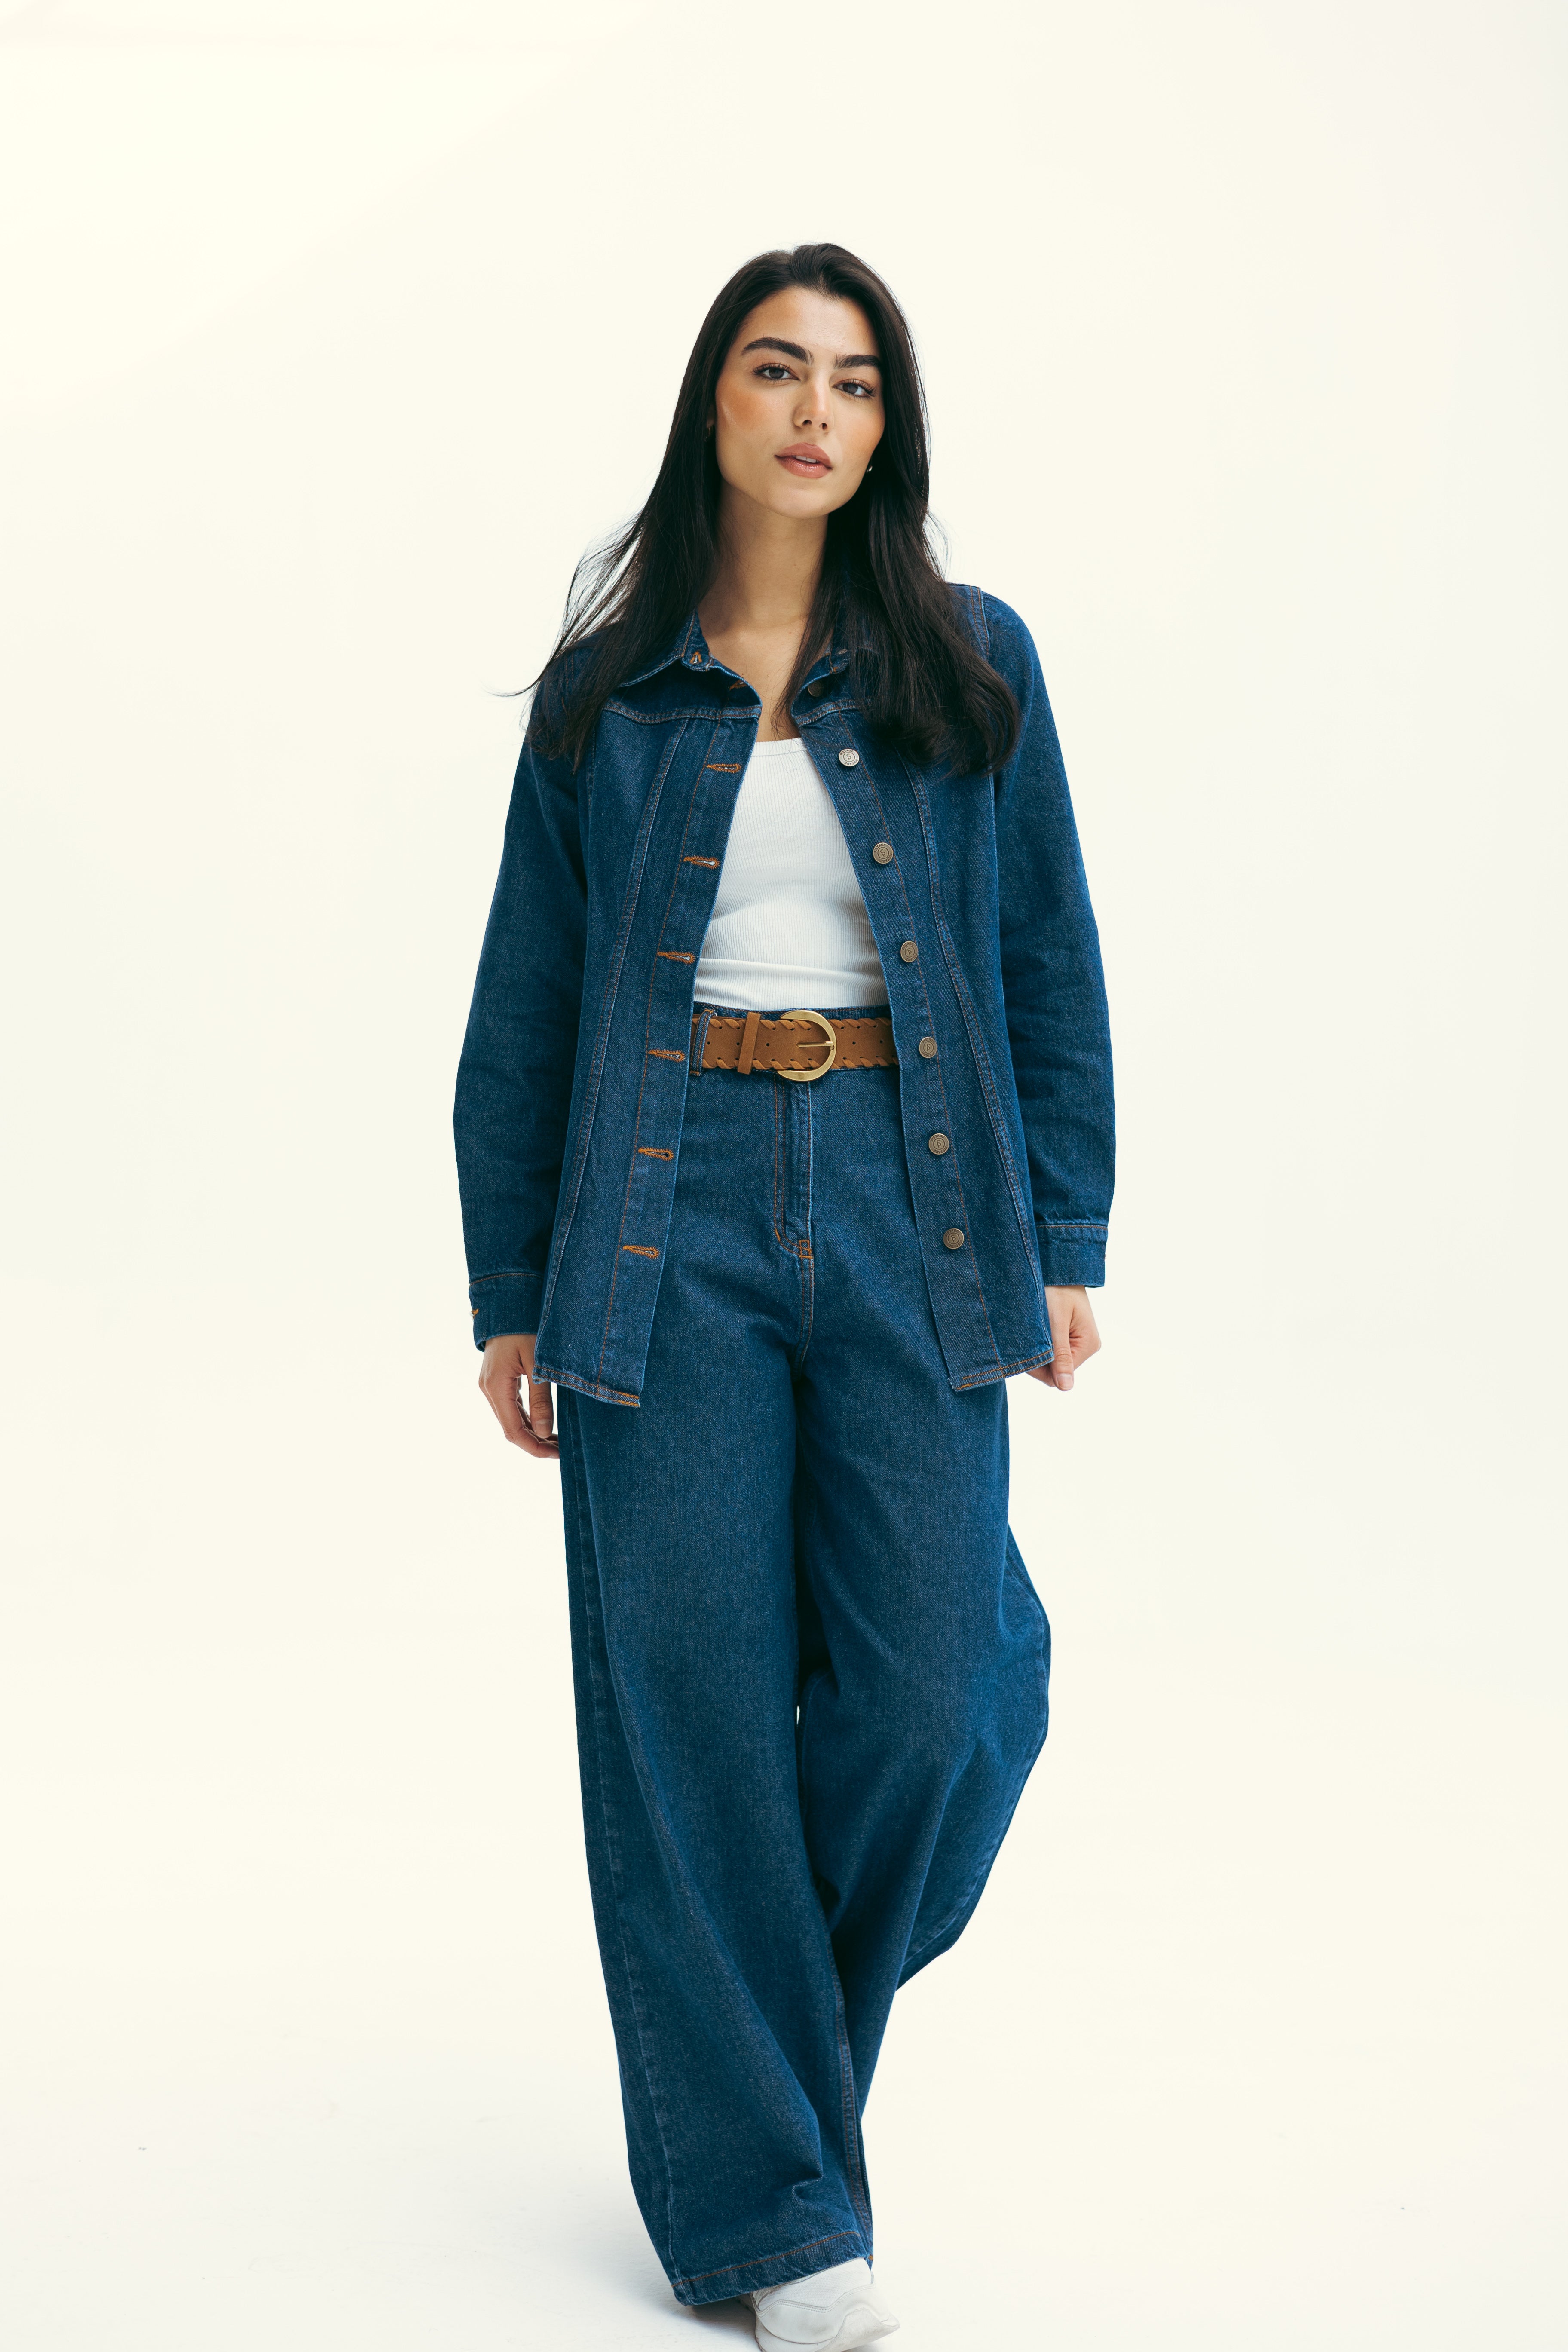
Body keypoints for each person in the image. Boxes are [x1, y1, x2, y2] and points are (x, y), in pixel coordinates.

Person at [454, 242, 1114, 2352]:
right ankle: (777, 2219)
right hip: (664, 1211)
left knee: (944, 1694)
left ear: (886, 425)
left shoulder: (970, 662)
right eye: (775, 370)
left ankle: (752, 2094)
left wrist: (1067, 1234)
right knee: (694, 1714)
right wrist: (507, 1291)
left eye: (853, 380)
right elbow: (526, 1002)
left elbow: (1046, 958)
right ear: (715, 404)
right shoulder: (610, 691)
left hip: (922, 1199)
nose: (815, 410)